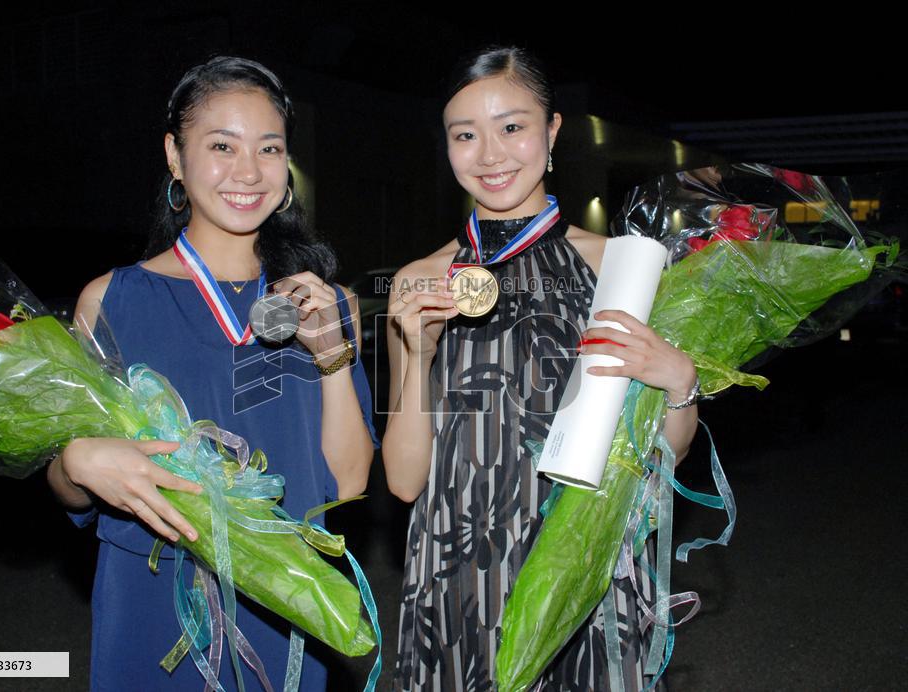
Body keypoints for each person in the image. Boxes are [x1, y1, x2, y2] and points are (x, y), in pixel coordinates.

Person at [46, 56, 377, 691]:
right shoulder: (110, 300)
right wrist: (75, 462)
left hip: (283, 601)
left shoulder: (316, 301)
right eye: (221, 145)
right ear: (175, 156)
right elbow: (70, 490)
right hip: (149, 600)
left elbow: (352, 478)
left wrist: (334, 357)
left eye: (269, 148)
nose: (248, 171)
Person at [382, 46, 699, 691]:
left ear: (552, 131)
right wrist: (419, 356)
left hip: (582, 560)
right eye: (465, 135)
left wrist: (680, 384)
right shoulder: (418, 282)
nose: (491, 154)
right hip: (458, 572)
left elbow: (662, 454)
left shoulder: (621, 266)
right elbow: (405, 481)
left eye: (512, 126)